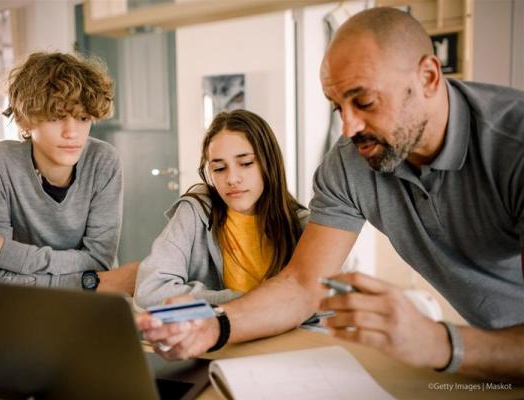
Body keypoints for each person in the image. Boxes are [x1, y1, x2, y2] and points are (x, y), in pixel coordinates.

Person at [137, 7, 524, 381]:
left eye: (365, 101)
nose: (348, 127)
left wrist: (437, 341)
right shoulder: (349, 162)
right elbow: (303, 285)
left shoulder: (514, 148)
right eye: (338, 106)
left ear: (428, 76)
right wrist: (215, 327)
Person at [0, 51, 124, 289]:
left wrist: (2, 252)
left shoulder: (103, 161)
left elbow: (99, 261)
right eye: (56, 117)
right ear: (25, 120)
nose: (72, 133)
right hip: (21, 307)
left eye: (83, 118)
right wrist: (91, 281)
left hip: (94, 304)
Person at [134, 109, 309, 308]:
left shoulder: (303, 225)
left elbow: (320, 303)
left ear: (269, 163)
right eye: (219, 168)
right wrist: (248, 303)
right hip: (220, 335)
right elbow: (149, 291)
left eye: (245, 163)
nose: (232, 179)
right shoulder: (194, 212)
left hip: (287, 336)